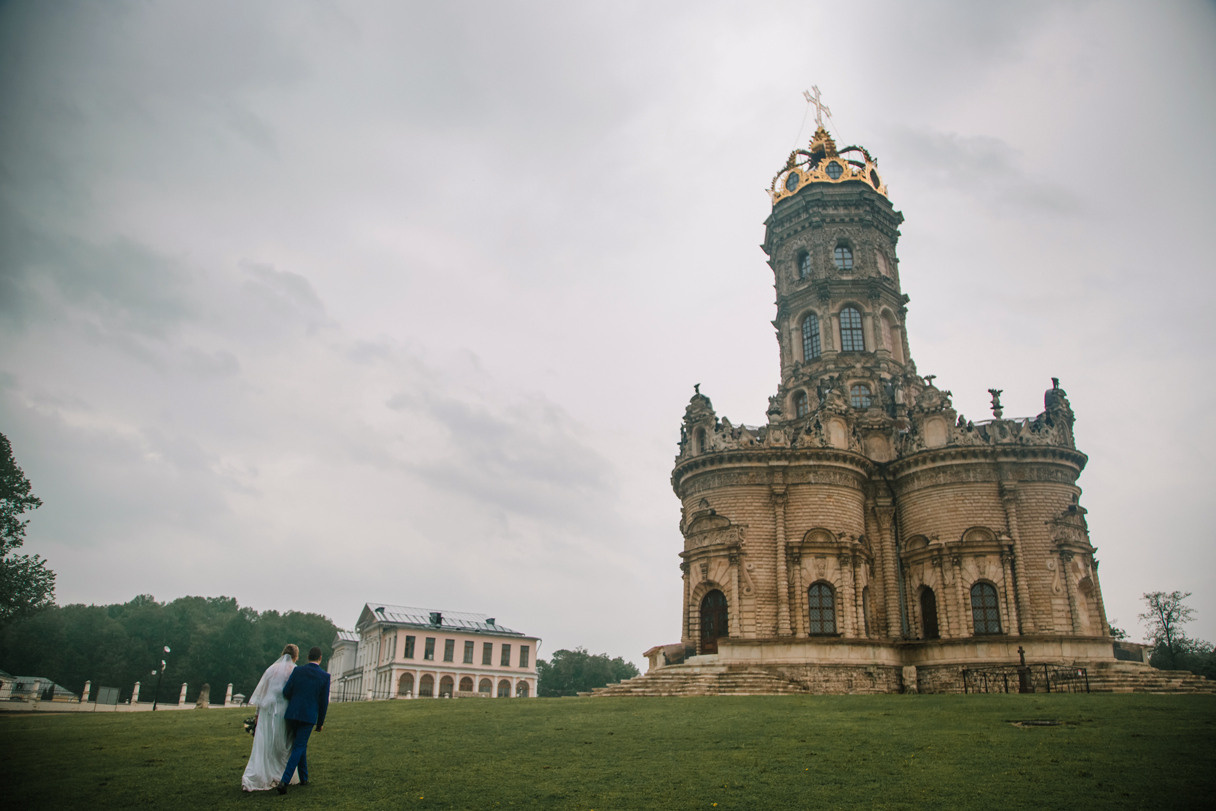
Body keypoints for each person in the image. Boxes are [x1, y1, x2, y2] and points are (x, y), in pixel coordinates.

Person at [241, 644, 301, 792]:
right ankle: (280, 774)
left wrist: (257, 713)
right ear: (295, 656)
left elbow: (262, 692)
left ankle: (261, 773)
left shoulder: (271, 669)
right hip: (283, 709)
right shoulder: (295, 669)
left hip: (267, 709)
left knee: (265, 742)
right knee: (283, 741)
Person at [277, 645, 331, 795]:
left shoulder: (298, 670)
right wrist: (320, 723)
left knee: (300, 744)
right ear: (320, 658)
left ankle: (304, 777)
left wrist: (296, 700)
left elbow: (286, 691)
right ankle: (284, 781)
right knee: (299, 746)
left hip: (293, 713)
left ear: (308, 657)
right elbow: (323, 703)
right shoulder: (324, 676)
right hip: (308, 716)